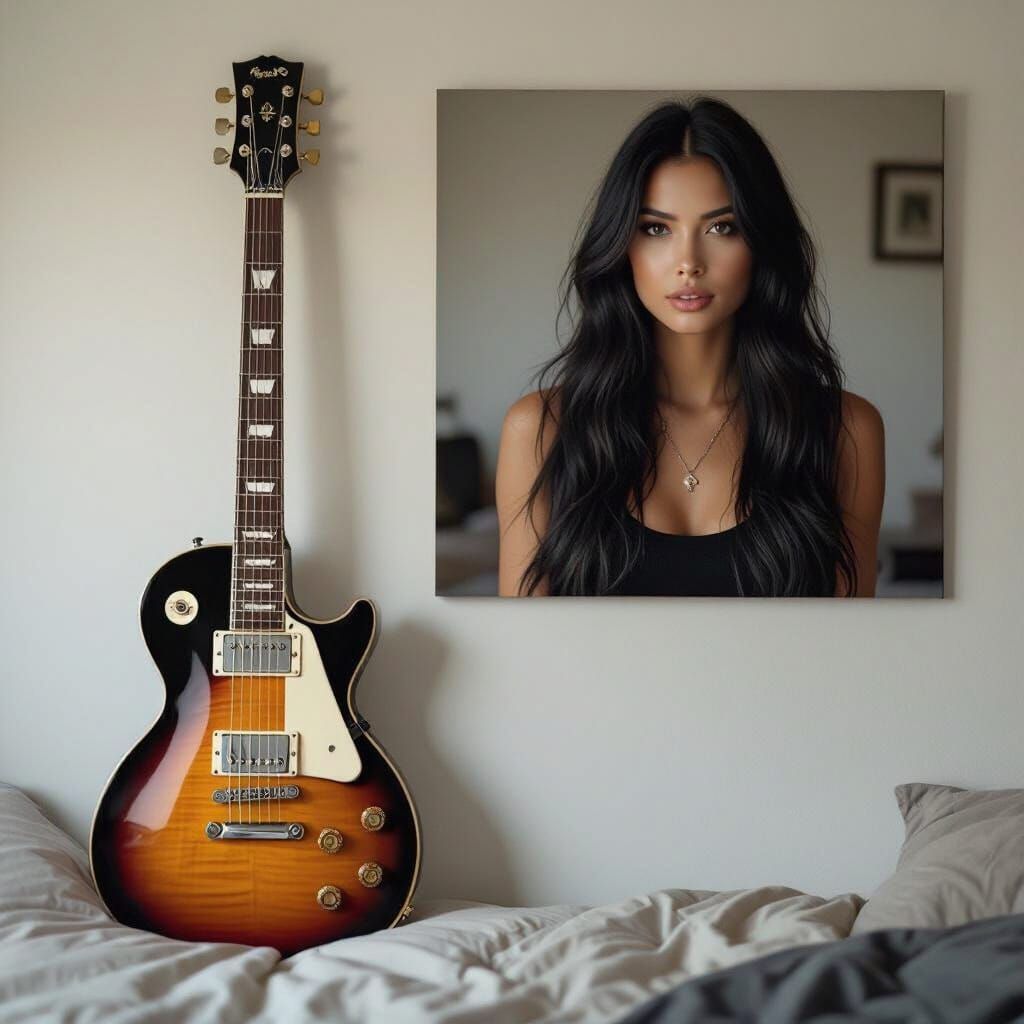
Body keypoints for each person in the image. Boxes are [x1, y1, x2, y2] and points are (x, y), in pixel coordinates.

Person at [495, 97, 884, 597]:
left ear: (762, 243)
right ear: (621, 246)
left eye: (722, 227)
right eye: (656, 229)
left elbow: (856, 637)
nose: (688, 262)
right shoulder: (540, 429)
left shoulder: (845, 430)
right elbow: (522, 640)